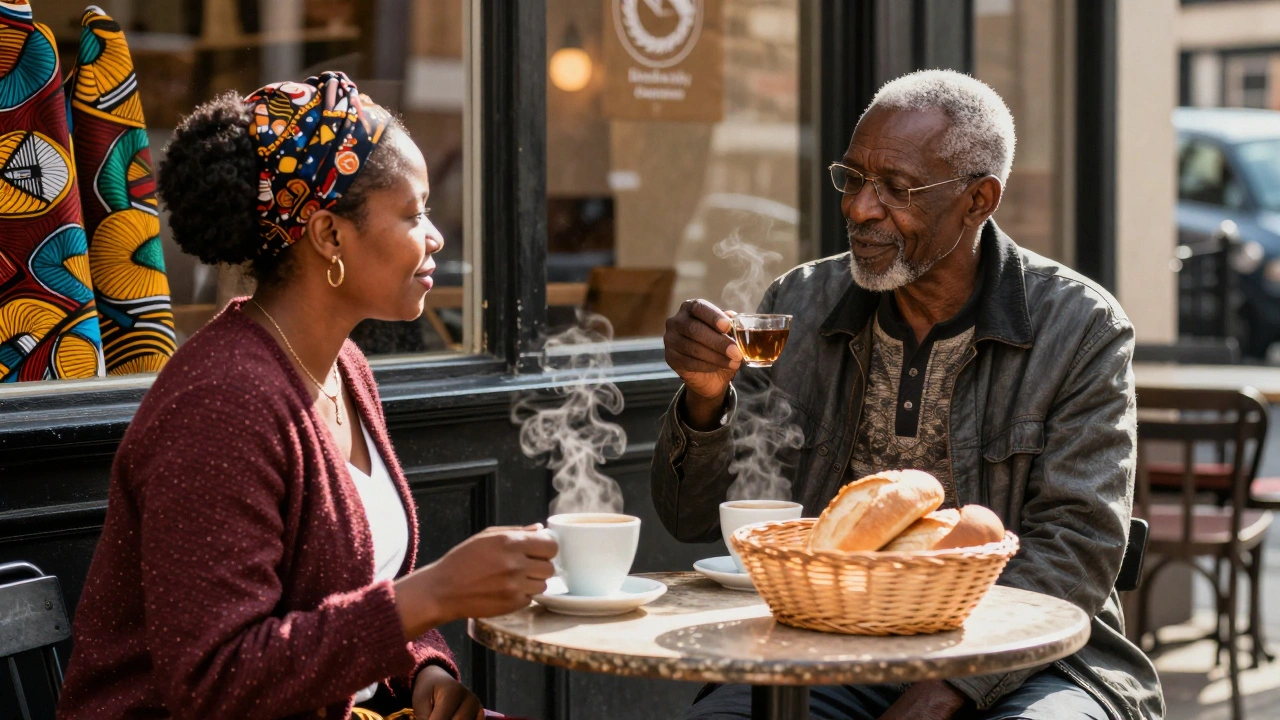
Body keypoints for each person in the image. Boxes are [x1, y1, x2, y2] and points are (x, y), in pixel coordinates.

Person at [652, 69, 1164, 720]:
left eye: (895, 188)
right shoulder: (798, 306)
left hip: (1036, 658)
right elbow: (693, 520)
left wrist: (951, 687)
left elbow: (1078, 546)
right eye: (854, 178)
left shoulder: (1080, 327)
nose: (859, 207)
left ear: (979, 200)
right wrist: (704, 402)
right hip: (831, 645)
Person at [58, 72, 556, 720]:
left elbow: (347, 591)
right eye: (412, 213)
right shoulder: (221, 405)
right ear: (328, 236)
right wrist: (432, 595)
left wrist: (420, 665)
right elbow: (215, 682)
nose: (435, 236)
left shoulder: (345, 368)